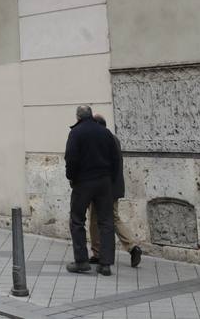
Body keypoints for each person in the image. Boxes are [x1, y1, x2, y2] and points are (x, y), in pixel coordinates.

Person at [64, 104, 118, 276]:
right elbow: (115, 158)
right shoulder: (105, 132)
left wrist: (71, 177)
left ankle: (81, 261)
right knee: (106, 222)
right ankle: (106, 263)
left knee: (77, 220)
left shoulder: (76, 133)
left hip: (83, 182)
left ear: (78, 117)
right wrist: (111, 179)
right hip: (104, 181)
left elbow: (71, 158)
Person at [87, 115, 142, 268]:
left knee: (94, 218)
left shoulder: (101, 140)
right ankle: (132, 247)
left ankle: (99, 252)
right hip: (114, 186)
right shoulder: (113, 138)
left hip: (102, 186)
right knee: (114, 217)